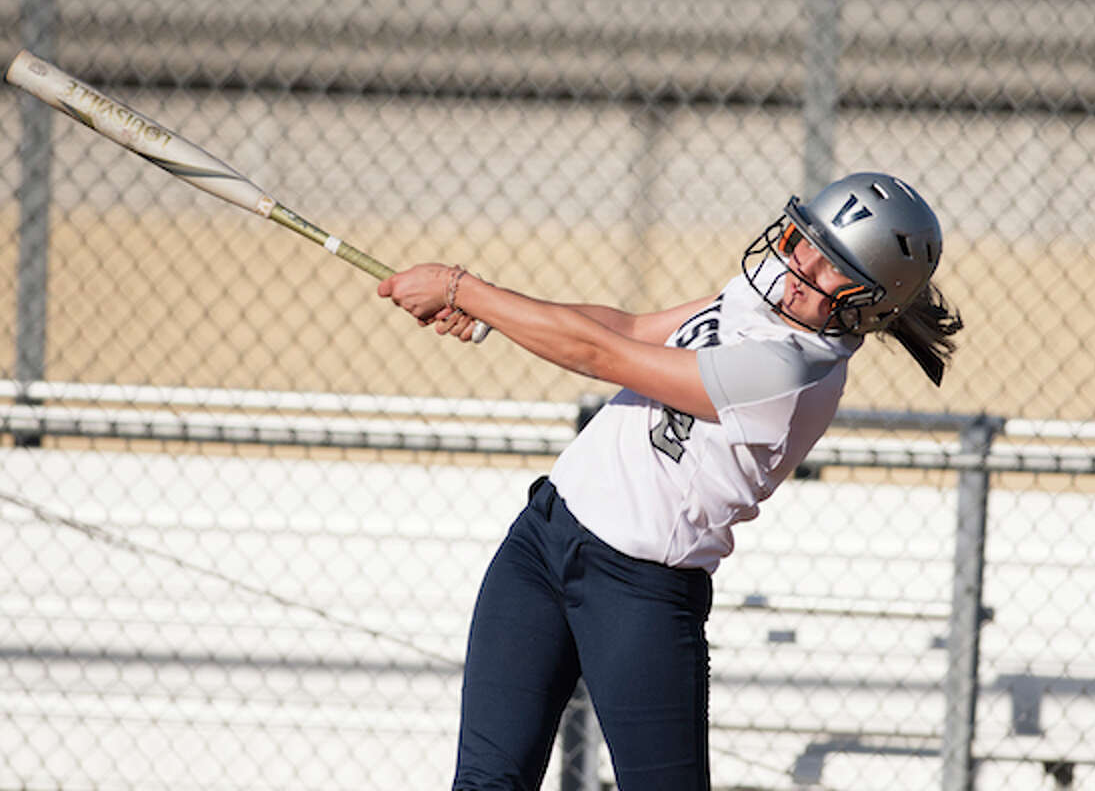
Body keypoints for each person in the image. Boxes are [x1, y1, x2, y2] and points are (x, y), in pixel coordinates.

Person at [378, 171, 963, 791]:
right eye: (804, 243)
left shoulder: (793, 372)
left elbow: (602, 357)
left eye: (832, 270)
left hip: (638, 590)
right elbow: (629, 330)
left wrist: (462, 287)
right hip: (543, 542)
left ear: (871, 304)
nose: (801, 270)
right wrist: (494, 313)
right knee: (484, 782)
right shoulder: (774, 288)